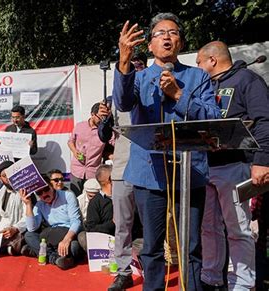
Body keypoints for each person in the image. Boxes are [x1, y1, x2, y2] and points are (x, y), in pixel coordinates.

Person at [113, 13, 220, 290]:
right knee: (151, 246)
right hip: (149, 174)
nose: (167, 37)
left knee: (191, 246)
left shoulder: (198, 77)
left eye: (172, 32)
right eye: (160, 33)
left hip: (190, 172)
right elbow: (123, 104)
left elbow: (213, 117)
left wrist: (178, 95)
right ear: (149, 45)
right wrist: (124, 60)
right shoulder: (138, 78)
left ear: (181, 42)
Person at [196, 41, 269, 290]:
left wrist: (262, 161)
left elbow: (264, 121)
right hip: (206, 167)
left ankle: (243, 284)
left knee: (238, 229)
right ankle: (211, 277)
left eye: (199, 62)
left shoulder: (247, 80)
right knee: (208, 227)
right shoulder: (205, 87)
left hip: (236, 165)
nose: (197, 68)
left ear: (212, 60)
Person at [101, 53, 147, 291]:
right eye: (131, 66)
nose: (135, 70)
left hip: (150, 169)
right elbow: (105, 137)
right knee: (122, 225)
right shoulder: (116, 99)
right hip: (121, 168)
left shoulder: (154, 93)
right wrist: (104, 123)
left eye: (139, 66)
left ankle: (152, 268)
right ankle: (123, 272)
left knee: (151, 224)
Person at [20, 176, 83, 270]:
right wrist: (28, 204)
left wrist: (66, 240)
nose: (44, 194)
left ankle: (37, 252)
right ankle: (55, 258)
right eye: (39, 193)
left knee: (74, 247)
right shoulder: (39, 204)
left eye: (46, 189)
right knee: (29, 235)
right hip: (51, 235)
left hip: (68, 233)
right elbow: (32, 228)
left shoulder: (67, 196)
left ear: (52, 185)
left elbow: (76, 221)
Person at [68, 102, 109, 195]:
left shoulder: (105, 131)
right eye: (100, 117)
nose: (102, 120)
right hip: (76, 170)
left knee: (92, 200)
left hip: (93, 172)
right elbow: (70, 141)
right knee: (75, 197)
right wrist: (75, 152)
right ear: (92, 114)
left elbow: (115, 142)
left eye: (104, 118)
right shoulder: (79, 126)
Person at [77, 167, 115, 251]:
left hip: (126, 239)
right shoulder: (95, 202)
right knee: (83, 237)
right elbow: (92, 228)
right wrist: (113, 223)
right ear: (110, 179)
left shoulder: (123, 197)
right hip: (104, 240)